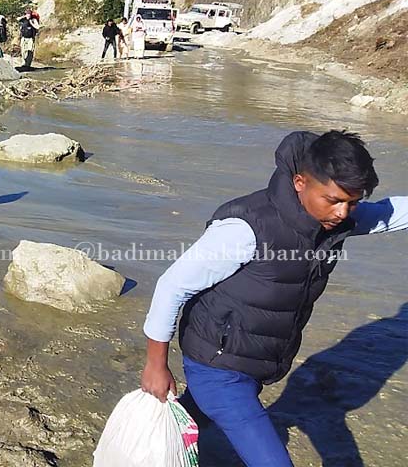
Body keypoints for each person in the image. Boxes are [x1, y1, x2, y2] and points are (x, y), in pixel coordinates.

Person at [140, 130, 407, 467]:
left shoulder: (333, 221)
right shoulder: (246, 228)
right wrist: (155, 364)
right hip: (217, 366)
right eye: (335, 200)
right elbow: (172, 287)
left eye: (352, 202)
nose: (343, 212)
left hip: (257, 362)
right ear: (300, 182)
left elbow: (387, 214)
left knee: (188, 425)